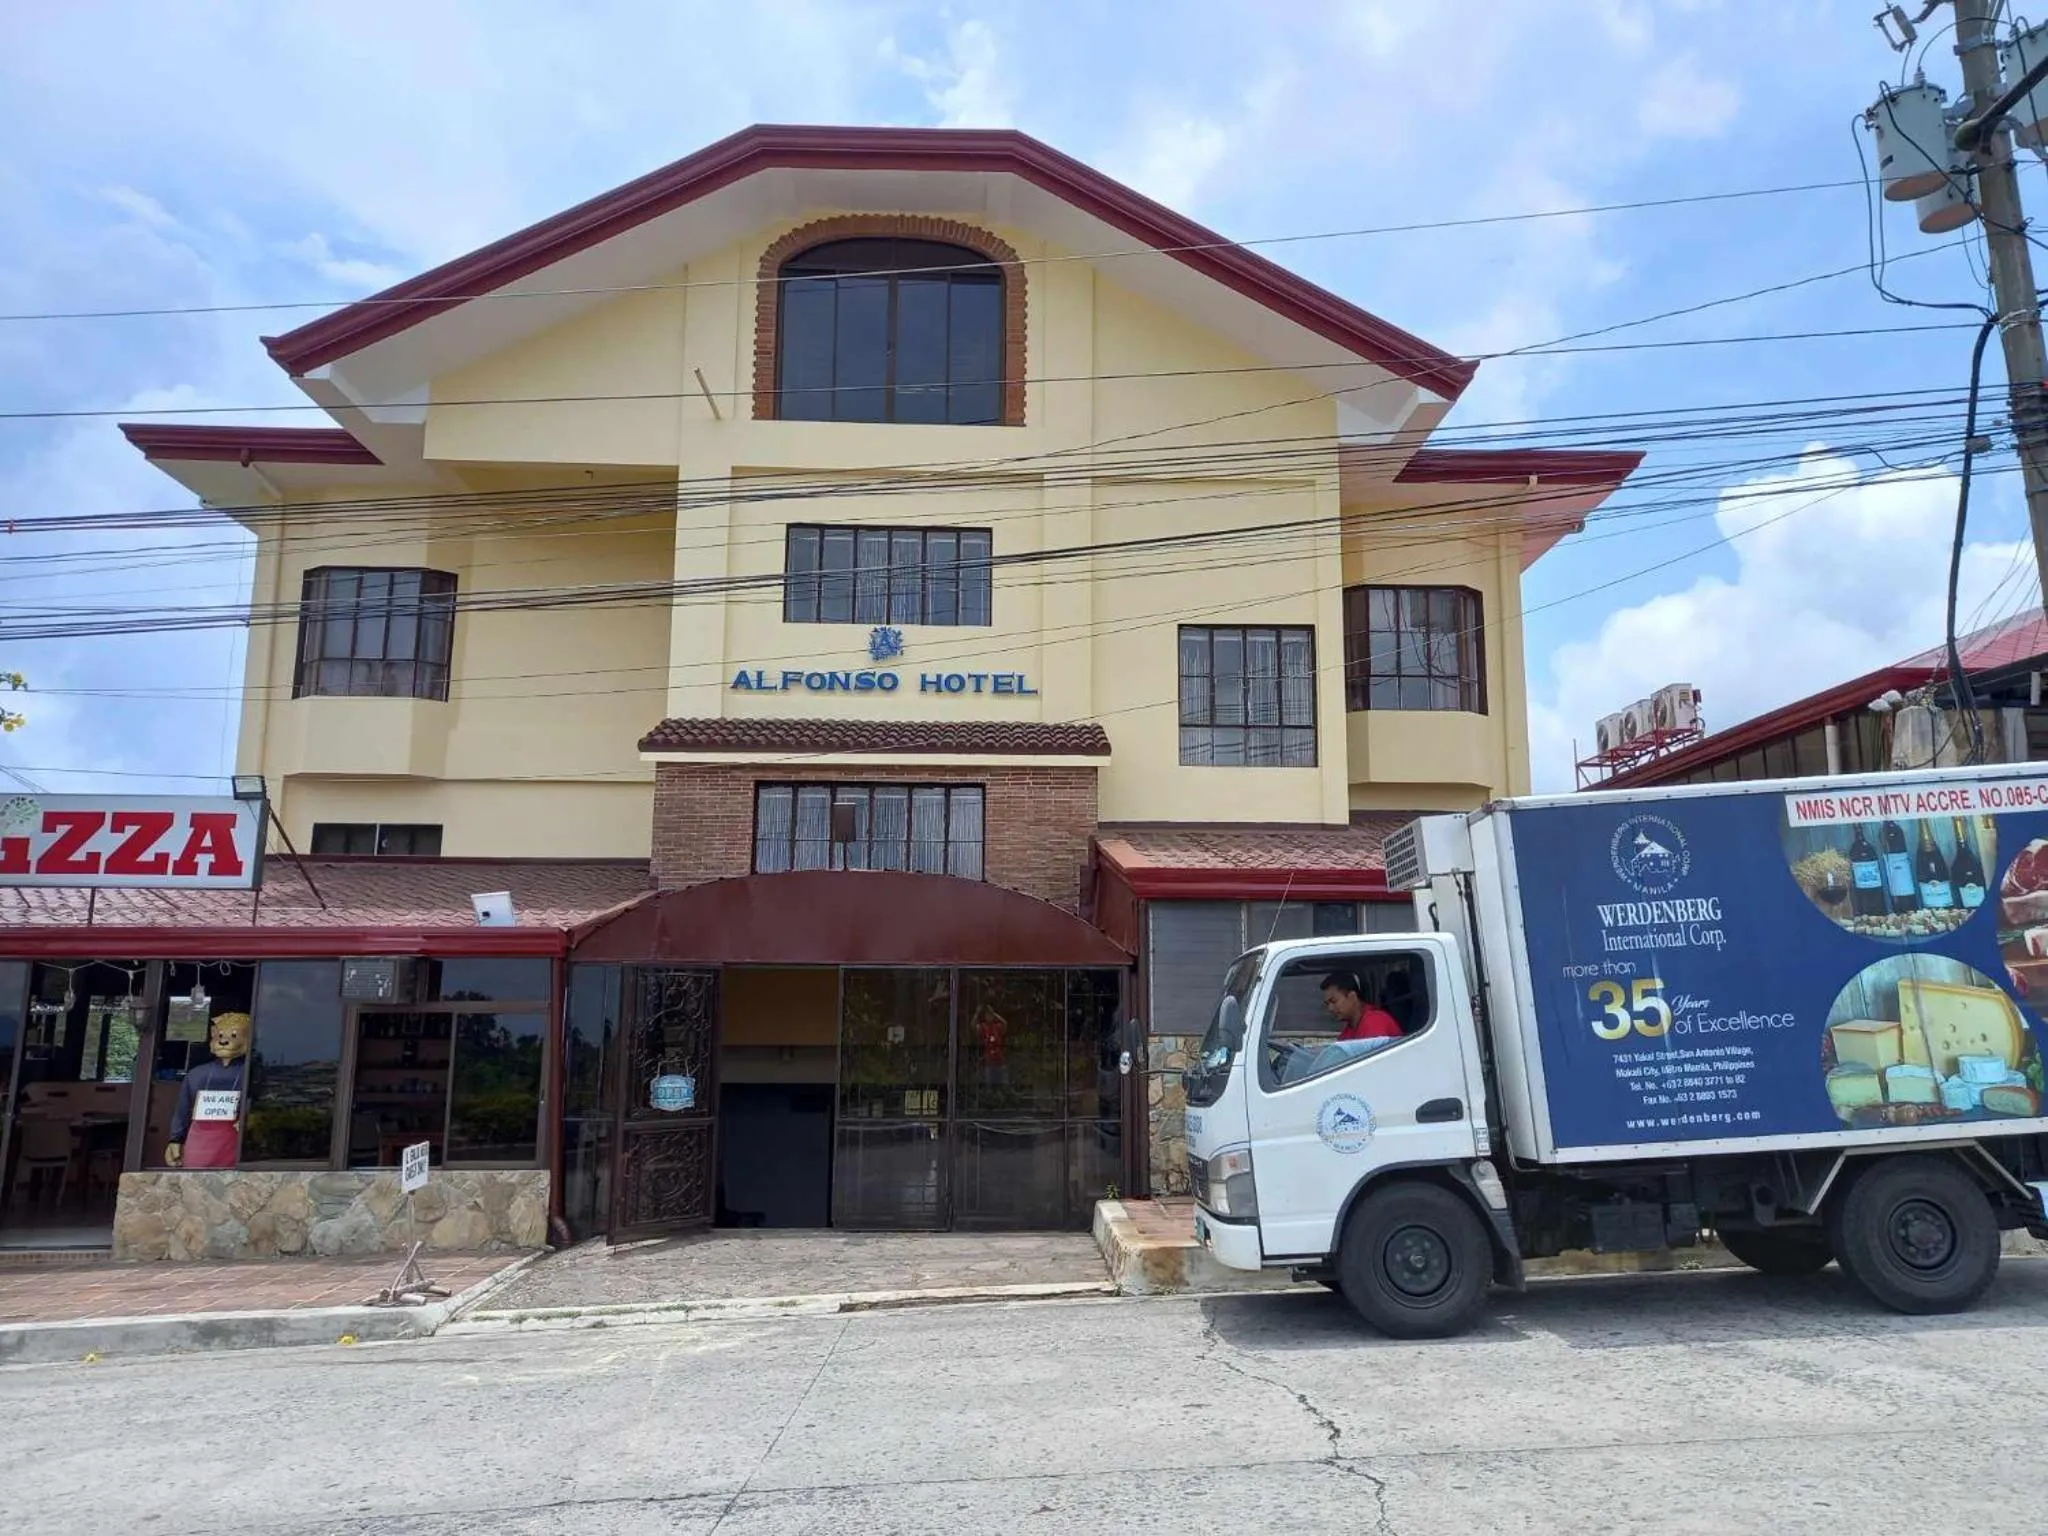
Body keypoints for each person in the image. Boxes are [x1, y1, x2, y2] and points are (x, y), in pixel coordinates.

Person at [1321, 972, 1401, 1043]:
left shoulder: (1375, 1021)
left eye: (1334, 1001)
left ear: (1352, 997)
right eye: (1327, 1004)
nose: (1330, 1008)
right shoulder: (1349, 1029)